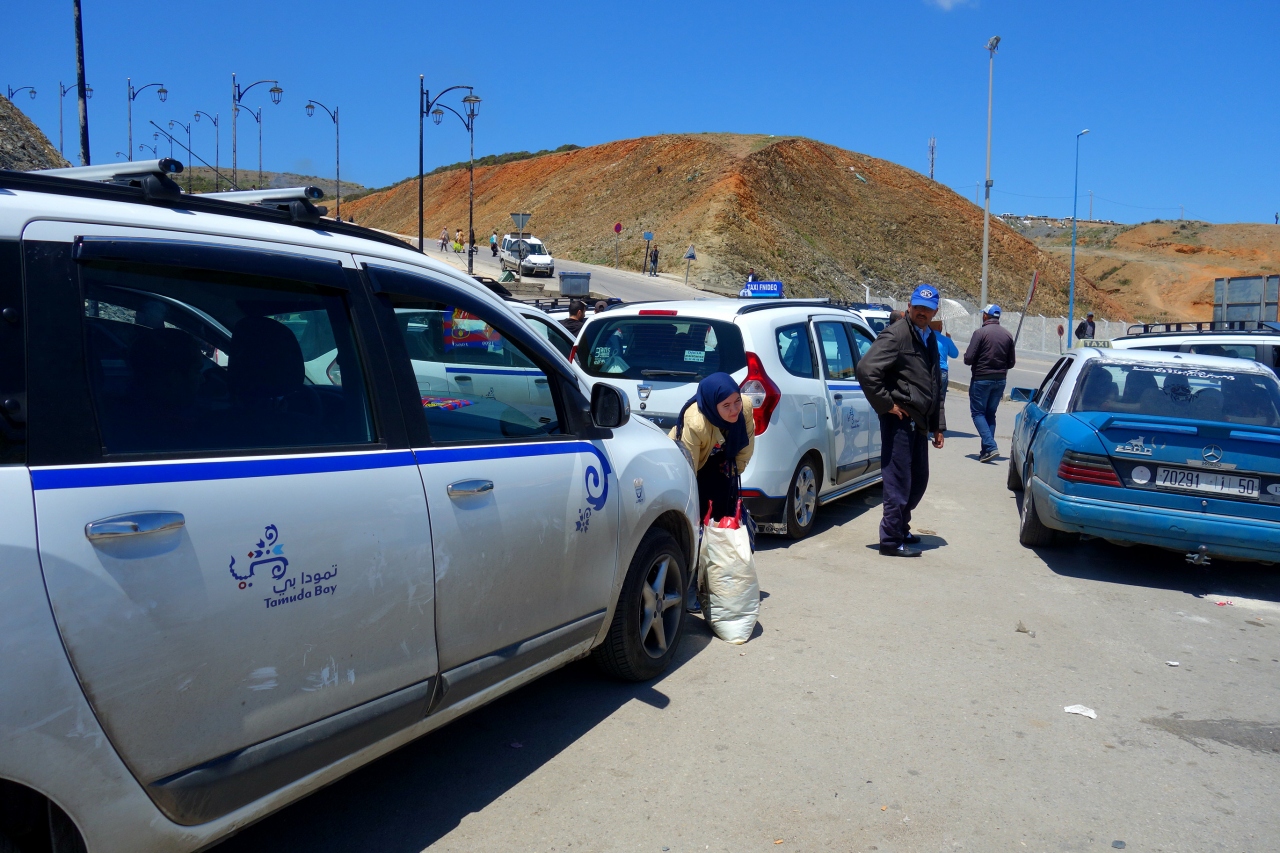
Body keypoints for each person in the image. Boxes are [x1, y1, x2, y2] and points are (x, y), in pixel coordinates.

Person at [855, 283, 947, 558]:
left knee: (918, 481)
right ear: (909, 306)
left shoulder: (928, 337)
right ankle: (891, 540)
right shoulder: (896, 335)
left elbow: (934, 382)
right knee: (898, 482)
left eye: (927, 309)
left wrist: (937, 425)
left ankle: (902, 528)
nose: (921, 312)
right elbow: (865, 369)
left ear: (934, 312)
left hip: (919, 422)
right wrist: (886, 404)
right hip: (899, 421)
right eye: (917, 306)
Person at [669, 373, 756, 609]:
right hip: (690, 468)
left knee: (723, 522)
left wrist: (732, 475)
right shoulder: (696, 422)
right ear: (712, 405)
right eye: (726, 406)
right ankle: (688, 588)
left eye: (736, 401)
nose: (734, 409)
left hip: (722, 464)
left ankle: (717, 583)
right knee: (696, 528)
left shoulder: (745, 408)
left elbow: (745, 448)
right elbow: (687, 470)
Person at [963, 304, 1016, 463]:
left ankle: (991, 446)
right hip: (1000, 380)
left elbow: (968, 359)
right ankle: (986, 451)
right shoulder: (1007, 335)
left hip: (981, 379)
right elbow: (1011, 362)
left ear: (986, 316)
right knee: (990, 414)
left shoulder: (980, 333)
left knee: (978, 413)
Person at [931, 319, 960, 396]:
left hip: (928, 370)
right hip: (942, 371)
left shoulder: (925, 337)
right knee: (940, 399)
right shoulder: (946, 340)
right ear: (940, 326)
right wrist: (949, 340)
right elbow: (955, 354)